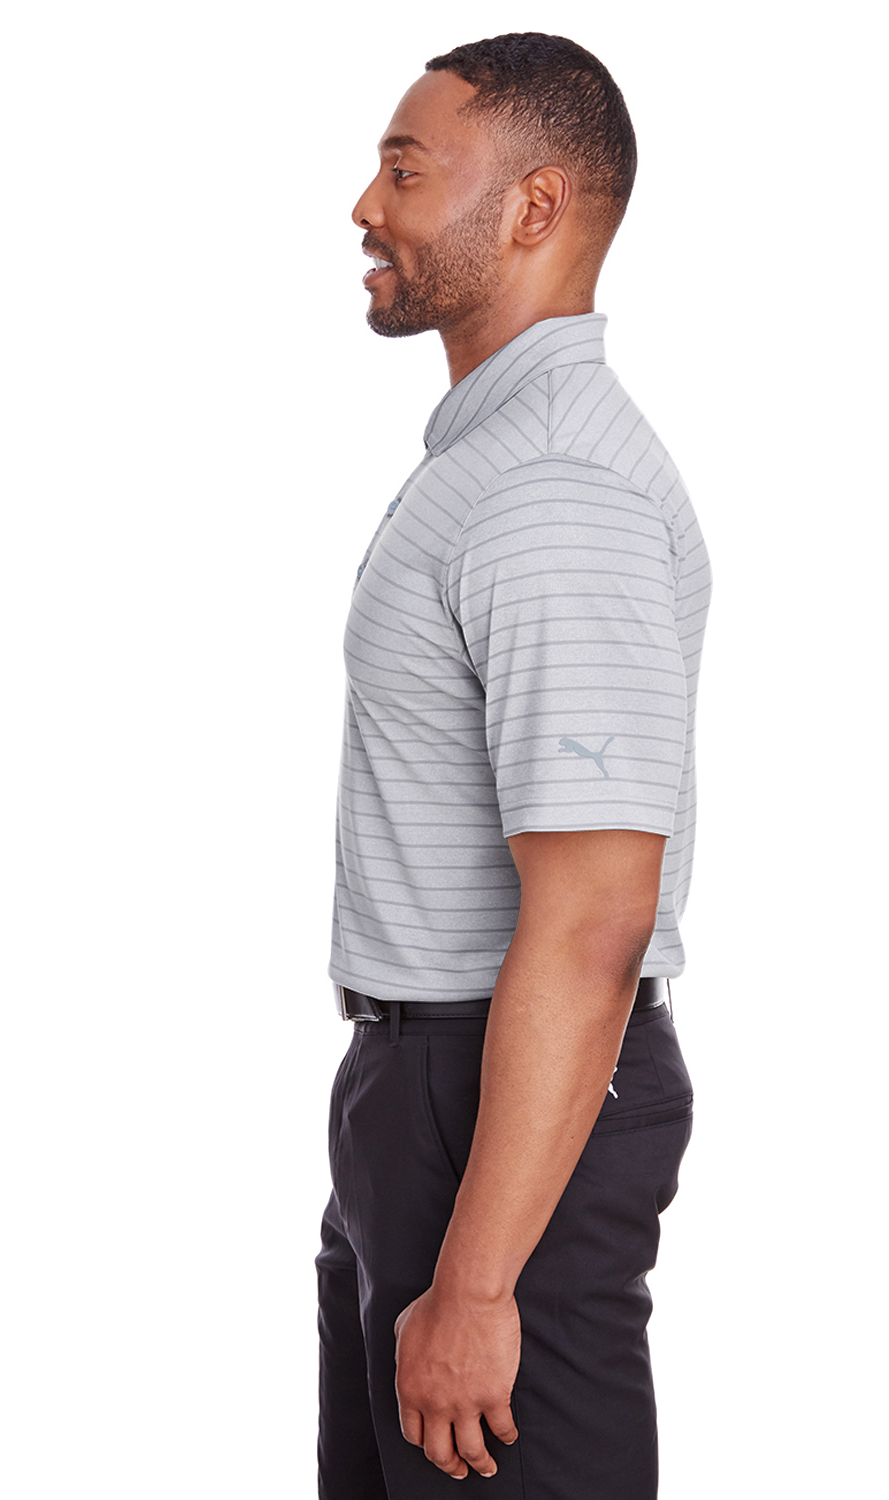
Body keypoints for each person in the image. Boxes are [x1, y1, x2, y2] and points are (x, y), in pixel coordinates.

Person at [317, 33, 712, 1499]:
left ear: (536, 205)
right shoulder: (492, 461)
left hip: (499, 1105)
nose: (366, 205)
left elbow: (597, 916)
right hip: (429, 1097)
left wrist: (479, 1280)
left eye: (406, 170)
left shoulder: (553, 485)